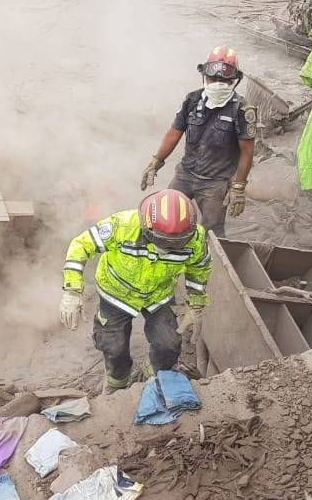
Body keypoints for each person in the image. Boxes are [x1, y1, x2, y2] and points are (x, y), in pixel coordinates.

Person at [59, 189, 211, 392]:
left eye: (177, 243)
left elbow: (199, 269)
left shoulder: (197, 239)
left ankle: (152, 376)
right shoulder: (122, 225)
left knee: (169, 345)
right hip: (116, 293)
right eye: (163, 240)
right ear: (146, 228)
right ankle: (117, 383)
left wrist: (196, 305)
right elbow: (81, 245)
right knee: (114, 347)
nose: (169, 247)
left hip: (159, 294)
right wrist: (72, 291)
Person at [139, 45, 259, 234]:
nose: (217, 83)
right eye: (213, 78)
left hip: (215, 183)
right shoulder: (192, 100)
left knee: (212, 231)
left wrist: (238, 187)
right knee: (165, 217)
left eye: (224, 79)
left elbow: (247, 152)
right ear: (204, 76)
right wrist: (156, 162)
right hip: (184, 175)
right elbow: (174, 133)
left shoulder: (242, 111)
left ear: (234, 81)